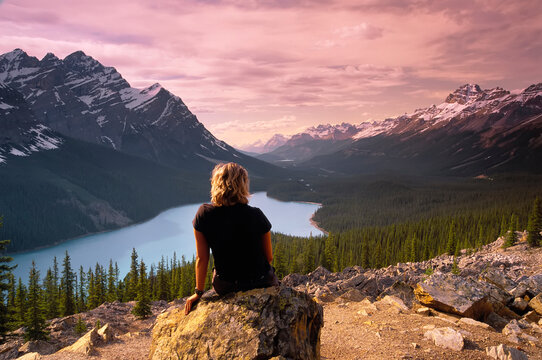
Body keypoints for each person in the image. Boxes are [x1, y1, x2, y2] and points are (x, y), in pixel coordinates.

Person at [184, 162, 279, 314]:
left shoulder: (204, 214)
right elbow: (268, 257)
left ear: (216, 184)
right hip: (261, 281)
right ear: (243, 186)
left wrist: (198, 293)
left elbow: (202, 259)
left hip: (226, 286)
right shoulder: (256, 215)